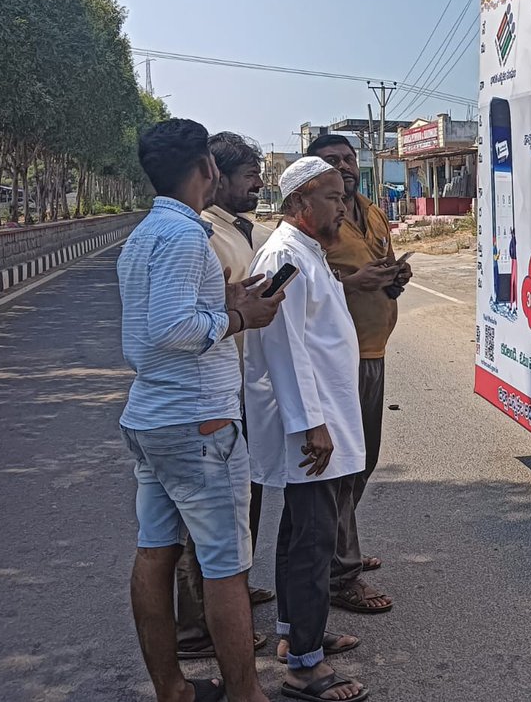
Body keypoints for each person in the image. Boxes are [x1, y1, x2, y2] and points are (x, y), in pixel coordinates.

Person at [118, 118, 284, 702]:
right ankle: (245, 693)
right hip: (198, 421)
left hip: (154, 417)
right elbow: (173, 328)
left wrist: (224, 302)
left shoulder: (144, 234)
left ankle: (173, 688)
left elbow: (164, 320)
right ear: (207, 170)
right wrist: (240, 318)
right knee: (224, 564)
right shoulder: (187, 236)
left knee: (155, 550)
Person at [244, 156, 368, 702]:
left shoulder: (307, 250)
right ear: (299, 203)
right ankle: (304, 670)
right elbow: (284, 346)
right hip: (310, 424)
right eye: (332, 196)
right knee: (313, 539)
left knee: (299, 531)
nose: (342, 205)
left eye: (342, 196)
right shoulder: (283, 255)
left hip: (321, 416)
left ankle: (297, 637)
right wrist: (311, 423)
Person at [175, 132, 276, 661]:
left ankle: (230, 590)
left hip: (239, 384)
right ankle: (198, 626)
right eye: (248, 177)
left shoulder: (241, 229)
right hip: (212, 390)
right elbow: (192, 319)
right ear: (216, 177)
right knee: (208, 515)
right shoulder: (202, 236)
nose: (257, 184)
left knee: (243, 499)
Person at [305, 134, 410, 617]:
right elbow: (308, 291)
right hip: (340, 360)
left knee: (362, 462)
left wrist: (392, 280)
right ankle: (339, 572)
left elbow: (377, 267)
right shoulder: (315, 225)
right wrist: (354, 283)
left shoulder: (369, 210)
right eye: (332, 161)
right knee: (343, 466)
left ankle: (341, 544)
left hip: (374, 352)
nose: (344, 167)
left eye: (348, 159)